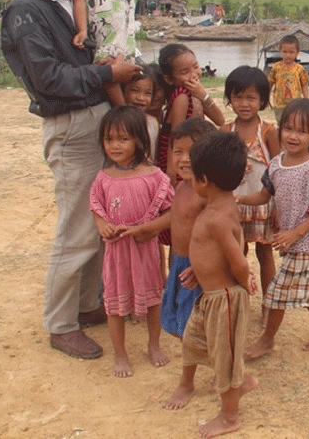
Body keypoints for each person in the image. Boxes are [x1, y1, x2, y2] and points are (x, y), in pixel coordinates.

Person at [1, 0, 141, 360]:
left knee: (97, 223)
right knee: (77, 229)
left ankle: (85, 306)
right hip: (70, 123)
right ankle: (61, 325)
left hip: (95, 117)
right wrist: (108, 74)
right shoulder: (27, 9)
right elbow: (49, 80)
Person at [163, 131, 258, 439]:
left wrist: (245, 281)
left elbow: (238, 260)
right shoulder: (219, 207)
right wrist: (201, 268)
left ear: (204, 181)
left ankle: (230, 416)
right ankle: (240, 383)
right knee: (193, 342)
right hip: (209, 295)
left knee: (225, 357)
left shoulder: (217, 218)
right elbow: (217, 252)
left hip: (224, 299)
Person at [237, 98, 309, 359]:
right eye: (288, 128)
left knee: (277, 294)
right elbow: (263, 196)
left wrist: (295, 232)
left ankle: (267, 341)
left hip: (306, 245)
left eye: (302, 131)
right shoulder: (276, 164)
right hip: (294, 244)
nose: (293, 136)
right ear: (280, 128)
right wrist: (238, 199)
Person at [89, 105, 174, 377]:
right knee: (114, 304)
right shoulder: (103, 178)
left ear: (139, 140)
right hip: (116, 254)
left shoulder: (155, 176)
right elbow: (96, 209)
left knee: (153, 299)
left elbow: (171, 213)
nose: (115, 145)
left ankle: (154, 345)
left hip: (145, 250)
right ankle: (120, 353)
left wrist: (146, 228)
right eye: (109, 139)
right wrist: (102, 225)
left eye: (123, 139)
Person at [222, 66, 280, 327]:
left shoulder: (269, 132)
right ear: (229, 99)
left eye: (251, 98)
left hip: (262, 204)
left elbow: (278, 171)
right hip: (233, 204)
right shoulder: (226, 130)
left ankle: (269, 304)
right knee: (237, 253)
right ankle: (238, 303)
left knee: (265, 254)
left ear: (262, 100)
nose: (244, 104)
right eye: (238, 97)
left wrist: (280, 209)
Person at [161, 118, 217, 338]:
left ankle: (217, 361)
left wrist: (200, 266)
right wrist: (145, 229)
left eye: (192, 152)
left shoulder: (208, 194)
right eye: (178, 152)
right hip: (179, 264)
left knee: (197, 327)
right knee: (177, 324)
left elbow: (221, 234)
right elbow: (176, 218)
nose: (184, 159)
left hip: (198, 268)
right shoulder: (180, 187)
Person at [157, 43, 225, 185]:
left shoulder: (196, 94)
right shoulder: (182, 97)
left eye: (195, 67)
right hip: (179, 163)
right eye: (184, 72)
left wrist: (203, 95)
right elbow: (175, 136)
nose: (193, 74)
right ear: (169, 79)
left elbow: (219, 120)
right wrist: (171, 171)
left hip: (193, 158)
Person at [268, 34, 309, 124]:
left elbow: (304, 84)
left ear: (297, 52)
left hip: (295, 104)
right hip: (279, 103)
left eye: (291, 52)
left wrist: (307, 100)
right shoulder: (276, 67)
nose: (288, 55)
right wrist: (267, 98)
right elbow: (270, 83)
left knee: (294, 123)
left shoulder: (299, 69)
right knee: (281, 123)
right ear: (280, 52)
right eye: (285, 52)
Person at [122, 64, 160, 163]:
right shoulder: (117, 122)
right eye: (135, 91)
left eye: (148, 93)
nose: (141, 98)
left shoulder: (153, 123)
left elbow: (153, 156)